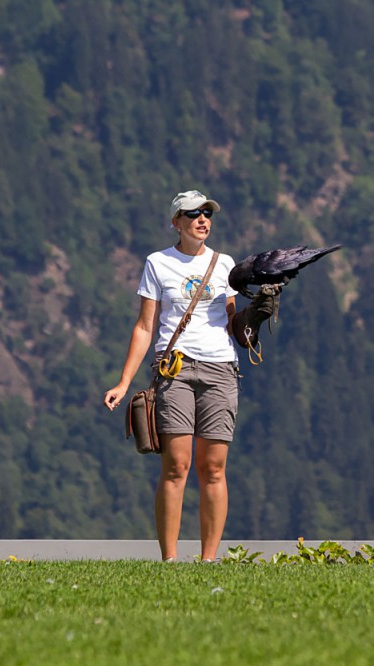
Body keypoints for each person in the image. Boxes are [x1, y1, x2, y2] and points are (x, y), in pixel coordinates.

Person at [104, 190, 240, 562]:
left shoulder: (225, 263)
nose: (202, 219)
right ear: (176, 222)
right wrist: (124, 381)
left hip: (220, 368)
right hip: (174, 368)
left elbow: (233, 324)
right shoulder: (158, 263)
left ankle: (209, 561)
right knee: (176, 465)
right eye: (193, 213)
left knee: (213, 467)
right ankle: (170, 560)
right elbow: (145, 327)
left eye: (207, 213)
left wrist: (256, 313)